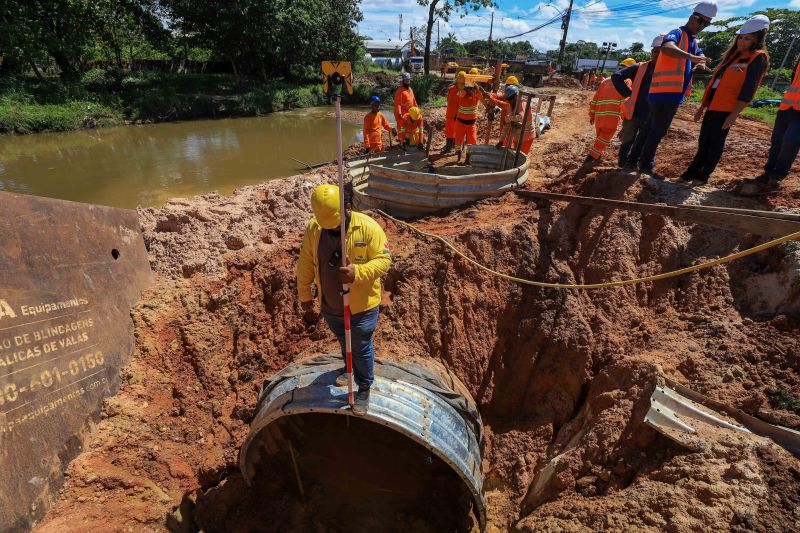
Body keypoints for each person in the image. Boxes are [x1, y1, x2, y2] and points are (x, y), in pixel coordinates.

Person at [297, 184, 391, 415]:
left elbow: (384, 261)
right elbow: (306, 261)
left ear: (348, 207)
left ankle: (364, 387)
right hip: (331, 304)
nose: (333, 229)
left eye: (336, 224)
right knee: (343, 340)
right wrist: (304, 294)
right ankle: (349, 369)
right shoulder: (314, 229)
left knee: (360, 345)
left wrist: (357, 272)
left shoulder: (368, 227)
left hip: (361, 307)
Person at [629, 1, 716, 179]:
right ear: (692, 17)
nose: (702, 26)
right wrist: (690, 56)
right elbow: (667, 47)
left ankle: (632, 160)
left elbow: (698, 55)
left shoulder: (693, 41)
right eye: (700, 20)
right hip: (665, 93)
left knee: (649, 128)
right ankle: (645, 165)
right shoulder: (677, 33)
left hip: (670, 94)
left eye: (706, 23)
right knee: (657, 131)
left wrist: (699, 61)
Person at [679, 15, 770, 185]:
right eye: (741, 38)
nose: (742, 42)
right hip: (713, 107)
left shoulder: (757, 58)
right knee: (703, 142)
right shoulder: (733, 56)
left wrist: (734, 114)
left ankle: (702, 176)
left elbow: (749, 89)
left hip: (727, 110)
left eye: (748, 39)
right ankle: (690, 174)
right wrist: (702, 107)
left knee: (715, 144)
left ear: (757, 39)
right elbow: (716, 84)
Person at [613, 35, 665, 169]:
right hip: (634, 112)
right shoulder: (640, 67)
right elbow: (617, 76)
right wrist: (629, 94)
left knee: (646, 142)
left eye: (661, 51)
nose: (658, 54)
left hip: (652, 115)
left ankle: (639, 165)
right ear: (652, 52)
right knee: (628, 139)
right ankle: (623, 164)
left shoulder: (668, 71)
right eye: (656, 51)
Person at [756, 58, 800, 187]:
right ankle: (769, 170)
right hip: (787, 106)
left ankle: (780, 172)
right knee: (777, 139)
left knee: (791, 139)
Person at [584, 74, 627, 165]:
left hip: (599, 118)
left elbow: (594, 100)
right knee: (602, 141)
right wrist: (626, 123)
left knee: (599, 139)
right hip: (611, 119)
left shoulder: (605, 81)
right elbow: (624, 104)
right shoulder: (624, 82)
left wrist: (592, 115)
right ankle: (590, 158)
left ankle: (597, 157)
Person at [483, 84, 536, 154]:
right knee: (515, 155)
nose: (509, 101)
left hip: (526, 136)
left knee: (520, 156)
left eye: (511, 98)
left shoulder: (523, 103)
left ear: (516, 96)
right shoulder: (510, 105)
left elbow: (521, 117)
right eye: (508, 99)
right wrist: (501, 141)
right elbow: (507, 125)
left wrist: (509, 118)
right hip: (517, 136)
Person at [453, 81, 486, 156]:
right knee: (458, 139)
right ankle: (458, 151)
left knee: (472, 140)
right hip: (460, 122)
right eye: (468, 88)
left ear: (473, 88)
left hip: (471, 123)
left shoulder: (477, 93)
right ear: (465, 88)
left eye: (471, 88)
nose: (469, 90)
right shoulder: (462, 93)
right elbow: (459, 94)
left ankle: (469, 155)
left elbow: (483, 101)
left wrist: (488, 107)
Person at [443, 71, 466, 153]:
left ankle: (453, 146)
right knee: (450, 131)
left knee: (457, 132)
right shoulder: (452, 89)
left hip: (459, 115)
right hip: (451, 114)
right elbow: (449, 101)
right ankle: (449, 147)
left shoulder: (465, 90)